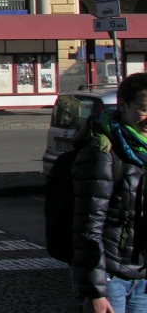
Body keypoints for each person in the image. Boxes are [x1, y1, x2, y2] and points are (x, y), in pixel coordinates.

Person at [72, 72, 147, 313]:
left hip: (143, 276)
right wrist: (95, 290)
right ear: (123, 105)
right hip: (111, 277)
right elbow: (88, 227)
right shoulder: (103, 154)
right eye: (144, 108)